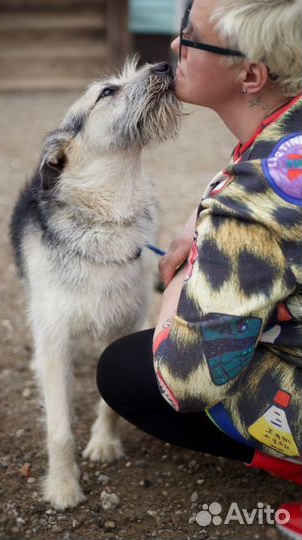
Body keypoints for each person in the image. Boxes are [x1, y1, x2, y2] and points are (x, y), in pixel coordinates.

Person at [97, 0, 302, 538]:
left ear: (251, 75)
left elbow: (184, 381)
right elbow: (249, 177)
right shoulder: (289, 137)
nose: (173, 47)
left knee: (129, 371)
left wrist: (181, 276)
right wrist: (203, 211)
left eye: (189, 37)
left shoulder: (247, 208)